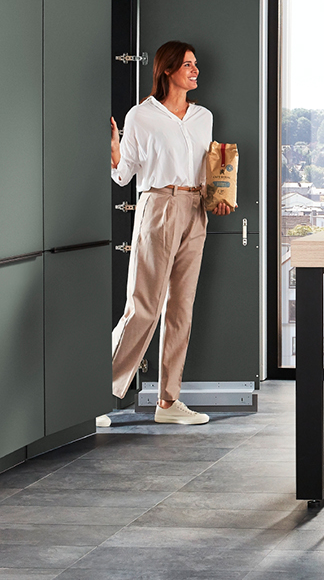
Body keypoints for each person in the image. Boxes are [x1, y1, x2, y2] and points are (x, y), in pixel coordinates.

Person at [100, 41, 234, 426]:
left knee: (181, 309)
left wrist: (219, 197)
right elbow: (123, 173)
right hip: (158, 206)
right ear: (168, 70)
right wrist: (113, 152)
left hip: (196, 210)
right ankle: (98, 396)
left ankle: (168, 402)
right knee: (143, 307)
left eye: (196, 64)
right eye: (188, 65)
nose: (195, 70)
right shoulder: (142, 116)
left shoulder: (203, 116)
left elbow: (209, 168)